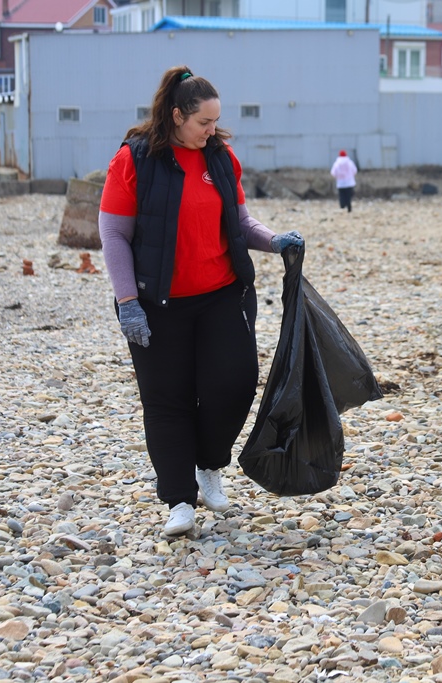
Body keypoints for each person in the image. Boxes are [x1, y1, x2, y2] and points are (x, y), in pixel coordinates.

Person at [98, 66, 304, 536]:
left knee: (234, 385)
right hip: (156, 304)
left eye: (215, 121)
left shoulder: (220, 158)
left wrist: (275, 241)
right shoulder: (134, 159)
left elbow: (241, 223)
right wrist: (128, 302)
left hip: (222, 296)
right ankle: (179, 501)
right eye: (203, 122)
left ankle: (209, 466)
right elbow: (113, 234)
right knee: (166, 400)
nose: (212, 130)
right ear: (177, 115)